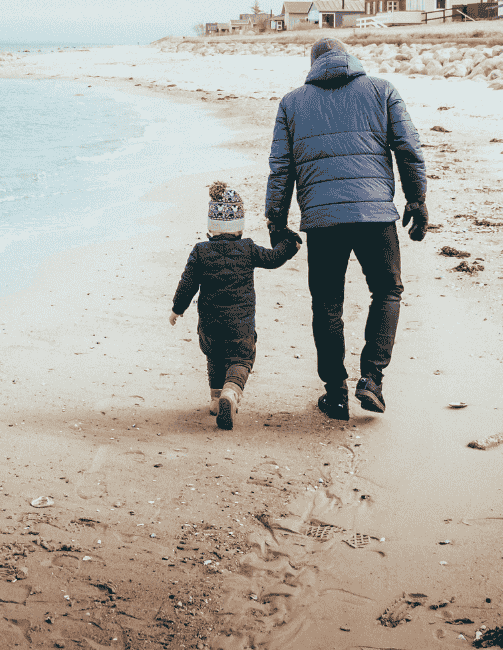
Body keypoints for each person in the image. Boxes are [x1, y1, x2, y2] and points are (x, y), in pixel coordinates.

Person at [264, 37, 428, 421]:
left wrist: (276, 221)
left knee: (326, 305)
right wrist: (416, 199)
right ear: (349, 57)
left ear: (313, 63)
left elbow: (280, 169)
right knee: (387, 291)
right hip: (375, 214)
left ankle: (335, 394)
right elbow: (409, 148)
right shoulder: (381, 89)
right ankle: (371, 378)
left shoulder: (292, 103)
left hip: (323, 222)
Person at [170, 182, 300, 430]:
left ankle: (216, 400)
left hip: (209, 327)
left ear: (211, 227)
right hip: (240, 327)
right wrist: (289, 243)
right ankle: (231, 393)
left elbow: (187, 284)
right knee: (241, 359)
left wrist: (177, 309)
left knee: (215, 357)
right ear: (239, 226)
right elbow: (274, 259)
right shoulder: (248, 249)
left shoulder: (200, 251)